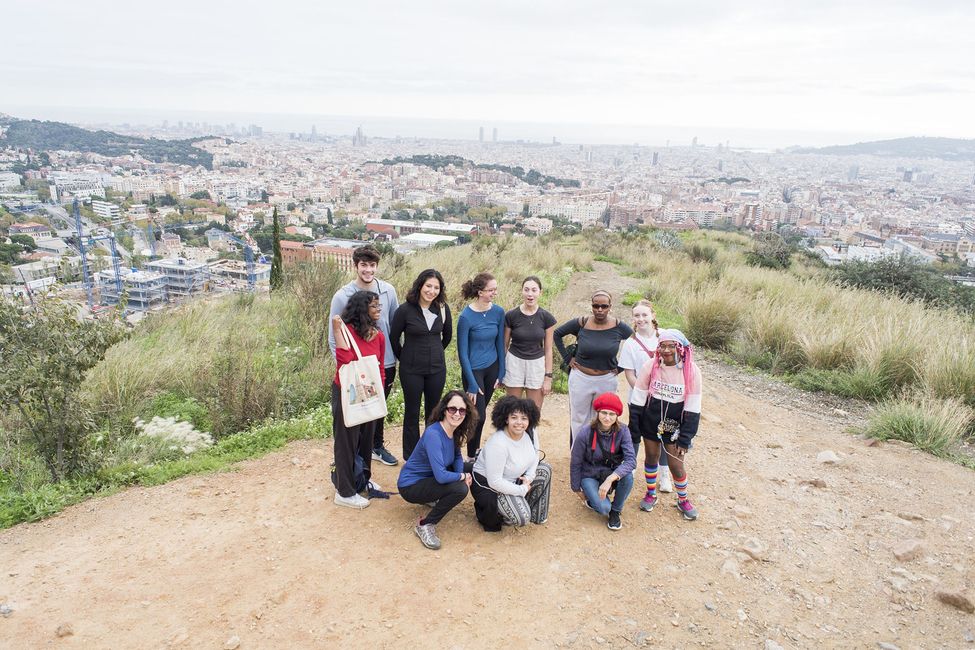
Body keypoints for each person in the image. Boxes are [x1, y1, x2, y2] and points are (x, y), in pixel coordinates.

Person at [328, 244, 400, 467]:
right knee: (353, 412)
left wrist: (398, 355)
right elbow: (334, 334)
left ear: (377, 266)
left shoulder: (388, 290)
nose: (368, 270)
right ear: (355, 266)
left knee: (376, 408)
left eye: (372, 265)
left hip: (384, 361)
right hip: (355, 367)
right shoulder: (343, 296)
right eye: (363, 265)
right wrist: (344, 366)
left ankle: (376, 447)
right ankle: (348, 457)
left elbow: (394, 326)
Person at [631, 329, 703, 520]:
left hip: (674, 425)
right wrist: (635, 428)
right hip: (651, 420)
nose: (666, 350)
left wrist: (686, 437)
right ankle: (651, 493)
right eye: (662, 346)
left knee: (676, 465)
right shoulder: (651, 366)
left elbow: (693, 407)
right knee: (651, 457)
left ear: (680, 348)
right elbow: (637, 398)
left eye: (671, 346)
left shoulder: (691, 371)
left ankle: (683, 499)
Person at [397, 390, 475, 550]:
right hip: (411, 485)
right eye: (452, 409)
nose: (457, 414)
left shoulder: (453, 430)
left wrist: (463, 475)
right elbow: (440, 476)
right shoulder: (434, 434)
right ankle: (425, 525)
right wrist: (461, 477)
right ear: (444, 410)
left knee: (473, 468)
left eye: (462, 410)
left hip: (429, 477)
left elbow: (457, 457)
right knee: (460, 489)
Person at [554, 290, 633, 445]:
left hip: (607, 380)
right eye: (596, 306)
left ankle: (599, 454)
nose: (600, 309)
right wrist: (567, 358)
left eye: (604, 306)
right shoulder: (582, 323)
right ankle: (578, 454)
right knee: (579, 419)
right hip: (581, 377)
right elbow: (557, 334)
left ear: (610, 306)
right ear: (591, 306)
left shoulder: (619, 326)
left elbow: (635, 344)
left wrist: (622, 367)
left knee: (604, 418)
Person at [331, 291, 387, 509]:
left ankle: (362, 480)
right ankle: (344, 492)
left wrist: (380, 391)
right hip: (347, 392)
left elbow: (380, 366)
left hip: (370, 393)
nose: (378, 310)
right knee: (346, 442)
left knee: (366, 439)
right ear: (362, 309)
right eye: (374, 306)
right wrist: (337, 331)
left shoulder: (378, 335)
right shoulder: (346, 331)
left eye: (378, 306)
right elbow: (344, 362)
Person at [390, 269, 452, 461]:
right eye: (428, 286)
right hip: (411, 371)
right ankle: (411, 457)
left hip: (436, 369)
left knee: (434, 413)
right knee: (412, 412)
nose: (431, 291)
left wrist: (434, 353)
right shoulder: (404, 310)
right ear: (420, 285)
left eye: (436, 287)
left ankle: (431, 453)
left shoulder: (442, 308)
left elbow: (447, 337)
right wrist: (407, 357)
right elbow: (394, 339)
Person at [470, 396, 552, 531]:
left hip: (515, 478)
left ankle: (536, 515)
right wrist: (522, 490)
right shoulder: (498, 443)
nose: (519, 422)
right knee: (522, 517)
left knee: (545, 469)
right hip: (493, 487)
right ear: (506, 419)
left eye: (524, 418)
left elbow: (535, 455)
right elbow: (495, 481)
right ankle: (507, 513)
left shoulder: (530, 432)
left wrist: (529, 477)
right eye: (514, 417)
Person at [618, 299, 671, 492]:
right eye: (637, 316)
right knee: (635, 433)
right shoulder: (631, 344)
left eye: (644, 315)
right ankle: (630, 467)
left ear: (653, 315)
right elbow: (630, 374)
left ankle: (664, 474)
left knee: (664, 435)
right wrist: (645, 393)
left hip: (665, 398)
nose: (641, 319)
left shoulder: (665, 336)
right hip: (639, 398)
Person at [569, 392, 636, 530]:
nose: (607, 418)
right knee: (603, 508)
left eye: (612, 414)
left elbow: (631, 461)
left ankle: (616, 511)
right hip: (590, 474)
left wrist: (610, 479)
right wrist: (576, 488)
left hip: (611, 471)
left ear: (617, 415)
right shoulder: (585, 432)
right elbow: (576, 462)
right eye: (604, 413)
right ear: (597, 413)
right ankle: (597, 499)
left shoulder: (623, 431)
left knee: (628, 477)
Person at [457, 272, 505, 458]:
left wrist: (502, 371)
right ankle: (470, 454)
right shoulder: (466, 317)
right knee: (479, 416)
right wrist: (471, 383)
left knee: (481, 413)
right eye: (491, 290)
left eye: (495, 289)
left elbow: (500, 343)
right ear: (479, 292)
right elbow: (462, 353)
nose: (494, 292)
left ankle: (474, 450)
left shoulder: (498, 312)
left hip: (492, 368)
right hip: (473, 371)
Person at [503, 276, 557, 412]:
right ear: (522, 291)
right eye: (526, 290)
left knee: (533, 412)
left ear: (540, 292)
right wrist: (501, 371)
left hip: (536, 365)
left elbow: (548, 349)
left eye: (534, 290)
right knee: (511, 410)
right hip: (514, 363)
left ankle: (531, 434)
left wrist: (548, 377)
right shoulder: (511, 316)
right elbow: (504, 345)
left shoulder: (547, 318)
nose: (530, 294)